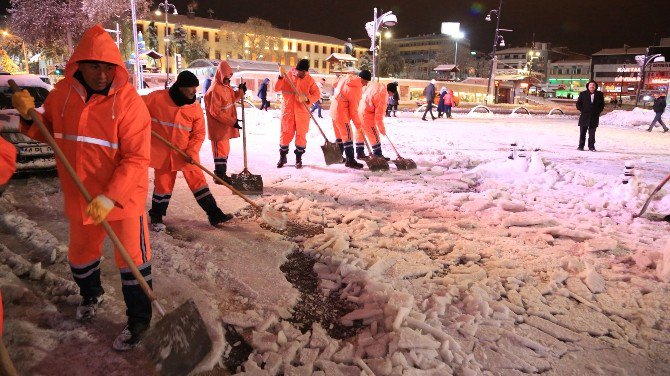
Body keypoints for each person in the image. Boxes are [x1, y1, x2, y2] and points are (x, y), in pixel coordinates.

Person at [12, 24, 153, 350]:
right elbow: (48, 134)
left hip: (123, 199)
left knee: (134, 262)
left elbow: (135, 159)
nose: (102, 74)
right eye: (94, 66)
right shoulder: (62, 95)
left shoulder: (130, 104)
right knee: (80, 258)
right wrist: (30, 117)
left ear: (117, 68)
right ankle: (92, 294)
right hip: (81, 196)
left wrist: (110, 196)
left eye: (108, 67)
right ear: (79, 64)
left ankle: (139, 320)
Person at [144, 71, 233, 230]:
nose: (194, 91)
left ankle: (214, 214)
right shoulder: (157, 98)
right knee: (162, 186)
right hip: (162, 153)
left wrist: (192, 151)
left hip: (185, 153)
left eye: (195, 87)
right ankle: (156, 217)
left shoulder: (195, 107)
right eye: (190, 88)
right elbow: (134, 107)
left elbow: (199, 133)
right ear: (180, 87)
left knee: (199, 183)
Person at [204, 60, 246, 183]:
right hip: (218, 127)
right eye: (226, 78)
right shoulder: (214, 90)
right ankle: (219, 174)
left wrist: (240, 92)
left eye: (229, 77)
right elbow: (215, 112)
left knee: (225, 150)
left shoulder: (226, 88)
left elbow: (232, 99)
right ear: (220, 75)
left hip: (226, 126)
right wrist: (232, 122)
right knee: (220, 151)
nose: (228, 80)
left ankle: (221, 173)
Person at [274, 59, 320, 169]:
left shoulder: (309, 80)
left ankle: (298, 159)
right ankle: (282, 157)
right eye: (301, 71)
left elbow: (317, 94)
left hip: (302, 114)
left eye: (304, 72)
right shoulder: (287, 76)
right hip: (288, 113)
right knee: (285, 135)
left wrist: (307, 98)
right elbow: (276, 88)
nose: (302, 74)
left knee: (301, 137)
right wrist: (280, 76)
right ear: (297, 69)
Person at [331, 70, 372, 168]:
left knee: (340, 135)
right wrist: (359, 126)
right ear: (361, 79)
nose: (365, 84)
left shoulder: (347, 78)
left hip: (334, 109)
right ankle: (350, 160)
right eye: (365, 81)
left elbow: (334, 83)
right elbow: (354, 111)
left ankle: (338, 157)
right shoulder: (356, 89)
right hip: (341, 112)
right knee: (348, 135)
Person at [359, 81, 391, 160]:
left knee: (360, 133)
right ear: (390, 92)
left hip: (360, 111)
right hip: (367, 115)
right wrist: (382, 129)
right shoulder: (382, 94)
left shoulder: (375, 87)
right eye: (391, 94)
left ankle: (359, 153)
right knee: (374, 134)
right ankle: (378, 154)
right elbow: (378, 116)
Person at [576, 80, 605, 152]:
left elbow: (602, 105)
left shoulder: (600, 94)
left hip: (594, 117)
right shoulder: (583, 94)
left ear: (595, 87)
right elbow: (578, 104)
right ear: (588, 86)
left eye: (593, 85)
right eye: (590, 85)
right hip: (584, 116)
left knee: (592, 133)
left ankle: (591, 147)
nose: (592, 86)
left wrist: (598, 112)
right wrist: (583, 110)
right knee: (582, 132)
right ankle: (581, 146)